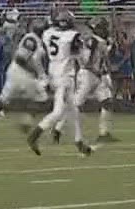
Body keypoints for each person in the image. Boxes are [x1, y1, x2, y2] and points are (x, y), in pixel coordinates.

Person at [28, 11, 92, 156]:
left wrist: (42, 75)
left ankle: (79, 141)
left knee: (74, 110)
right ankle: (35, 135)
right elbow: (82, 57)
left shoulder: (48, 33)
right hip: (64, 78)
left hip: (54, 74)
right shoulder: (71, 36)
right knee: (58, 112)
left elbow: (39, 56)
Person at [0, 20, 48, 138]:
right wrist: (38, 72)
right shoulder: (32, 39)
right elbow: (21, 58)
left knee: (3, 99)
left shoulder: (35, 40)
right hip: (23, 73)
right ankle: (27, 121)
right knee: (42, 97)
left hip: (14, 71)